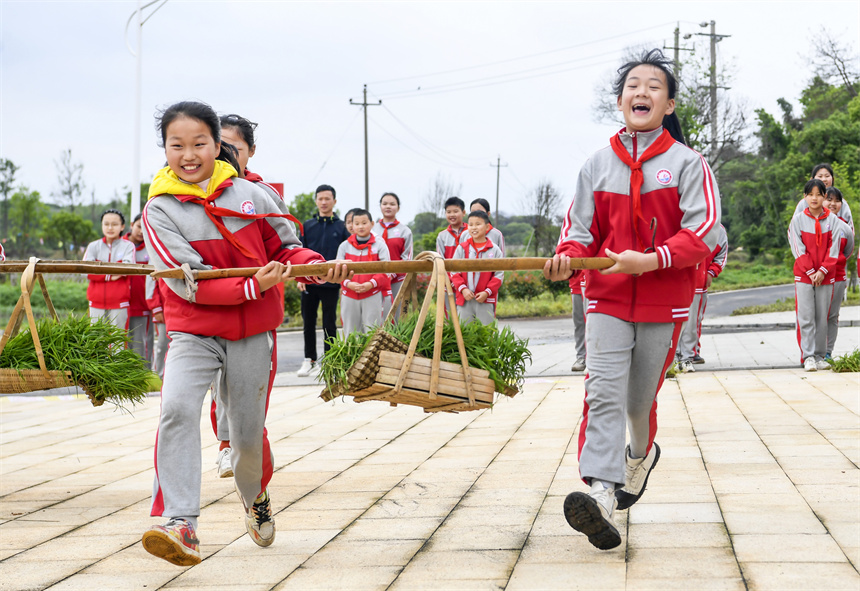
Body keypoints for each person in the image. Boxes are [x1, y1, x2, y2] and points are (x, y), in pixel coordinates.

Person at [140, 100, 350, 567]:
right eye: (177, 145)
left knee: (246, 438)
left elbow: (288, 249)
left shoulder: (250, 195)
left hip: (254, 332)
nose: (188, 154)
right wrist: (252, 284)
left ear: (218, 146)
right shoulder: (159, 209)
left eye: (199, 143)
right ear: (165, 150)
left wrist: (318, 267)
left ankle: (254, 496)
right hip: (194, 332)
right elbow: (184, 279)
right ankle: (180, 523)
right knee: (175, 408)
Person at [543, 49, 721, 550]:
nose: (641, 92)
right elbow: (577, 234)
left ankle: (638, 458)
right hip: (606, 298)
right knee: (602, 393)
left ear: (668, 104)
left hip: (666, 300)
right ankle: (599, 493)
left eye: (653, 87)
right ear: (620, 100)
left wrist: (652, 260)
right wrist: (568, 258)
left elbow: (703, 231)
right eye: (632, 86)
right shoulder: (596, 166)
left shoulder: (689, 164)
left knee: (638, 402)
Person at [788, 179, 842, 372]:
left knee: (822, 316)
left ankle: (820, 356)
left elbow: (834, 249)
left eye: (819, 194)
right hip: (804, 276)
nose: (814, 198)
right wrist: (811, 271)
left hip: (826, 276)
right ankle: (808, 356)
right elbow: (797, 248)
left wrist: (823, 271)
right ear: (805, 197)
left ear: (824, 197)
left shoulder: (834, 221)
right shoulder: (797, 220)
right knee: (806, 316)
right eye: (810, 194)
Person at [296, 185, 350, 377]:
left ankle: (330, 360)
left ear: (334, 201)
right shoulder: (307, 226)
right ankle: (309, 360)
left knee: (330, 322)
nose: (324, 202)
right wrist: (299, 277)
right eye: (320, 198)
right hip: (310, 282)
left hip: (332, 283)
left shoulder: (342, 227)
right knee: (308, 322)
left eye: (328, 199)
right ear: (316, 201)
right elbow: (300, 252)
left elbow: (346, 254)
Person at [676, 224, 728, 372]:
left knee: (694, 321)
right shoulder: (684, 224)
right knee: (675, 320)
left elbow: (721, 255)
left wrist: (711, 272)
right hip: (678, 282)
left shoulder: (719, 231)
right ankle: (675, 356)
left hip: (699, 283)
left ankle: (688, 356)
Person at [337, 208, 391, 335]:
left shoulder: (380, 245)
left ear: (372, 224)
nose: (360, 226)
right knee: (350, 333)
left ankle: (372, 356)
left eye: (364, 222)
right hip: (349, 294)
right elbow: (338, 271)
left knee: (373, 332)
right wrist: (348, 284)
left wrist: (370, 284)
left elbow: (386, 271)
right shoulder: (344, 246)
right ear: (352, 226)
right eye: (356, 223)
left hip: (372, 293)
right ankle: (353, 356)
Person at [83, 209, 136, 330]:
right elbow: (85, 270)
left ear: (122, 226)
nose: (110, 228)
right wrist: (110, 275)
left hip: (120, 302)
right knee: (96, 341)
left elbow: (127, 268)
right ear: (101, 225)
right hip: (96, 301)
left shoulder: (128, 246)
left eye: (115, 224)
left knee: (119, 342)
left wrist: (98, 266)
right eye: (106, 224)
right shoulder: (93, 246)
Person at [451, 210, 504, 325]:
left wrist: (487, 292)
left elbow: (499, 275)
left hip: (485, 299)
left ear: (487, 227)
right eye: (471, 224)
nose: (474, 228)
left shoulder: (494, 250)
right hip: (465, 299)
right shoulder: (462, 248)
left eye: (478, 224)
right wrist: (463, 289)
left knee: (486, 333)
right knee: (465, 334)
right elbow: (454, 271)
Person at [823, 188, 855, 359]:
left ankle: (828, 352)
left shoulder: (844, 227)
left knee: (833, 316)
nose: (832, 204)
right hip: (819, 278)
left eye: (836, 200)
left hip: (838, 276)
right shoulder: (814, 223)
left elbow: (848, 250)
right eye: (829, 199)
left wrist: (838, 262)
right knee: (818, 316)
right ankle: (814, 353)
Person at [373, 192, 412, 318]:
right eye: (384, 204)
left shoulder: (405, 231)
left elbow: (407, 257)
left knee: (396, 314)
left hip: (397, 280)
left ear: (398, 208)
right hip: (375, 279)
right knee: (376, 314)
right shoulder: (372, 230)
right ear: (380, 206)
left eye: (392, 204)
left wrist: (391, 274)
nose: (388, 206)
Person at [125, 213, 155, 368]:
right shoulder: (120, 246)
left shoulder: (151, 248)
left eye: (145, 228)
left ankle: (144, 374)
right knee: (121, 341)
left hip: (142, 304)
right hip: (121, 303)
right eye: (138, 226)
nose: (141, 231)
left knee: (142, 342)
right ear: (131, 225)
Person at [569, 272, 587, 372]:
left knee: (592, 321)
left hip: (595, 280)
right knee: (579, 321)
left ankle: (594, 358)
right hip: (576, 281)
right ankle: (582, 357)